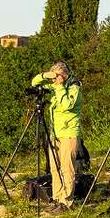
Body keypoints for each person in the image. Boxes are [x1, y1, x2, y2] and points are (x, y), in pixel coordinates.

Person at [31, 62, 83, 206]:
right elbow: (34, 83)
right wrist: (46, 76)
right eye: (55, 76)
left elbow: (67, 105)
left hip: (69, 133)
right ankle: (57, 197)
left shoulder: (74, 85)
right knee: (55, 168)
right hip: (55, 133)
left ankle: (66, 202)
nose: (56, 79)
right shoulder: (54, 84)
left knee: (67, 168)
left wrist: (59, 87)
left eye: (59, 75)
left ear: (65, 74)